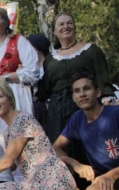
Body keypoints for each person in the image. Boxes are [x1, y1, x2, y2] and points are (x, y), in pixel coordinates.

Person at [40, 12, 114, 144]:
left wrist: (105, 108)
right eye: (61, 24)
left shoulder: (91, 51)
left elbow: (103, 80)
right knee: (60, 147)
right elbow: (46, 89)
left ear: (74, 27)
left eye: (69, 23)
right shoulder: (50, 60)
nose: (65, 27)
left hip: (86, 105)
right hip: (58, 112)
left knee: (89, 145)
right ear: (55, 31)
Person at [0, 8, 40, 146]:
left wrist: (7, 78)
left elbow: (33, 71)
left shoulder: (18, 41)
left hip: (15, 94)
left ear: (5, 22)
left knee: (18, 133)